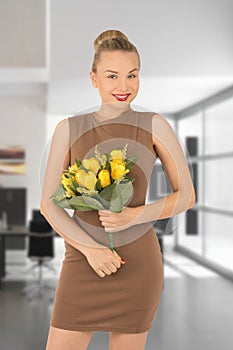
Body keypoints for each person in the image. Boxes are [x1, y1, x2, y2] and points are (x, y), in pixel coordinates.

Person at [40, 29, 196, 350]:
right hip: (82, 260)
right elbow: (49, 204)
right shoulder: (68, 129)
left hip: (137, 265)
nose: (123, 87)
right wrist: (92, 250)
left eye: (132, 75)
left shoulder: (154, 125)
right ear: (94, 78)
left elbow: (186, 195)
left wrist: (135, 216)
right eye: (112, 76)